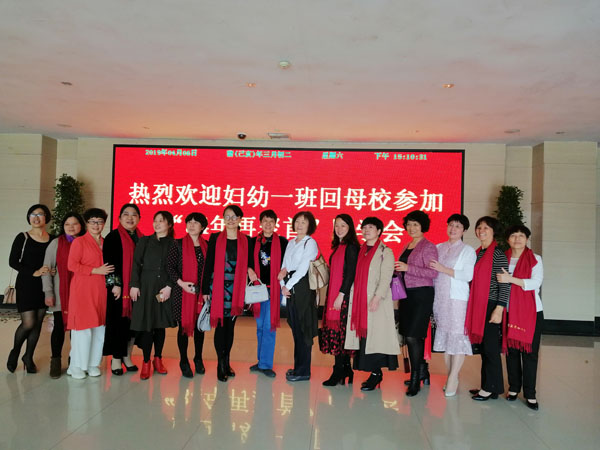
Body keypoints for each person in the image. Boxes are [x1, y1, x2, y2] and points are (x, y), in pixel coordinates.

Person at [345, 216, 400, 391]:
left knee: (376, 339)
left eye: (371, 227)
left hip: (376, 302)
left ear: (379, 231)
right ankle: (373, 373)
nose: (367, 230)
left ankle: (376, 374)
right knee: (365, 339)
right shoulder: (361, 250)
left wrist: (377, 297)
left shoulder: (386, 252)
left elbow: (386, 277)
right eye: (364, 227)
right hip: (360, 302)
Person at [202, 205, 252, 382]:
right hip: (218, 288)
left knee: (230, 327)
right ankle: (220, 364)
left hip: (236, 289)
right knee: (221, 326)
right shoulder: (215, 238)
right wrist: (204, 290)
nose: (230, 220)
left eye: (234, 217)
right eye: (227, 216)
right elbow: (209, 264)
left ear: (240, 219)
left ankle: (227, 361)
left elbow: (250, 263)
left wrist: (251, 270)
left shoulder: (246, 240)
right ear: (223, 219)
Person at [497, 225, 544, 411]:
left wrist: (510, 279)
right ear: (508, 239)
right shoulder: (503, 258)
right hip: (508, 311)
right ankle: (514, 388)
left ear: (527, 239)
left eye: (521, 235)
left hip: (531, 312)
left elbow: (535, 283)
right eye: (513, 235)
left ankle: (530, 394)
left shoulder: (535, 259)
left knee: (530, 354)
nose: (517, 239)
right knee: (512, 352)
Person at [429, 213, 476, 396]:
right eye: (451, 225)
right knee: (446, 337)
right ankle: (451, 376)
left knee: (457, 337)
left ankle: (452, 377)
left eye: (458, 226)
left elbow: (467, 275)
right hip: (440, 298)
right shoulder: (439, 247)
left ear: (464, 230)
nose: (453, 229)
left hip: (457, 299)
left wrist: (443, 269)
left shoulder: (467, 250)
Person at [465, 216, 510, 401]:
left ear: (493, 231)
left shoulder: (497, 254)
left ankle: (491, 387)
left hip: (490, 305)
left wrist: (499, 309)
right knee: (484, 348)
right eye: (479, 227)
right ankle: (489, 385)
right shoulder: (478, 253)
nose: (481, 231)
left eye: (486, 228)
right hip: (478, 304)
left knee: (490, 348)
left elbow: (504, 285)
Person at [395, 210, 438, 397]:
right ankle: (422, 371)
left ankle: (415, 380)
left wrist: (407, 267)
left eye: (416, 224)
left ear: (423, 227)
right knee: (409, 335)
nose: (411, 228)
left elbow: (433, 273)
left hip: (421, 295)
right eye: (409, 224)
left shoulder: (428, 246)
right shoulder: (407, 245)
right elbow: (404, 270)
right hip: (407, 295)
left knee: (414, 336)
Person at [67, 208, 114, 379]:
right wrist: (95, 270)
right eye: (92, 221)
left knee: (99, 328)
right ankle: (77, 366)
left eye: (100, 221)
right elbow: (72, 265)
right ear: (86, 223)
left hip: (101, 291)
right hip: (83, 290)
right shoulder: (79, 242)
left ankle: (93, 363)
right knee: (83, 329)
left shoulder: (106, 243)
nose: (96, 225)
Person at [7, 204, 54, 374]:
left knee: (38, 323)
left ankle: (28, 356)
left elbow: (56, 260)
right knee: (28, 323)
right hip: (26, 284)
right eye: (32, 214)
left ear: (46, 218)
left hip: (44, 285)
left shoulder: (53, 238)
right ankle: (15, 351)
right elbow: (13, 261)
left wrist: (53, 270)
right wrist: (34, 272)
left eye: (40, 214)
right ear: (28, 218)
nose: (36, 217)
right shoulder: (23, 237)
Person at [130, 211, 176, 380]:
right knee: (147, 325)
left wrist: (169, 286)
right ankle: (146, 361)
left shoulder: (174, 244)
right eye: (155, 220)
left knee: (160, 325)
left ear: (169, 224)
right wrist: (134, 284)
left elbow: (177, 268)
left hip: (163, 289)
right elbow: (136, 264)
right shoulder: (145, 241)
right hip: (146, 287)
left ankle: (158, 359)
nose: (157, 224)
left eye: (161, 221)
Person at [42, 212, 86, 378]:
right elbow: (47, 269)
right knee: (59, 327)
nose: (71, 227)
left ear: (81, 225)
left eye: (75, 224)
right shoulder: (56, 243)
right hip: (61, 293)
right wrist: (48, 292)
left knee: (78, 330)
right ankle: (55, 361)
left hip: (82, 294)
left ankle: (74, 360)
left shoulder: (86, 242)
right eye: (67, 224)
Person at [102, 203, 143, 376]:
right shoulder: (112, 237)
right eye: (126, 214)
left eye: (134, 214)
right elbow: (109, 264)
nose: (130, 218)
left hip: (137, 289)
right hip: (118, 290)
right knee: (118, 325)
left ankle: (127, 356)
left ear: (139, 218)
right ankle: (116, 359)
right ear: (119, 218)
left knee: (132, 326)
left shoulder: (142, 238)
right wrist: (115, 284)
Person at [167, 212, 209, 378]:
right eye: (189, 222)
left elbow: (210, 270)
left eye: (195, 222)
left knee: (200, 327)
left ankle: (198, 358)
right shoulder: (177, 244)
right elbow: (170, 267)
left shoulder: (207, 246)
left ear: (202, 227)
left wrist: (206, 291)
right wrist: (182, 283)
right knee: (183, 328)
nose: (191, 225)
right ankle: (183, 360)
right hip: (181, 292)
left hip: (200, 294)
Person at [319, 214, 359, 386]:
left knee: (340, 334)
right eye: (337, 225)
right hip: (335, 294)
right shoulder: (339, 246)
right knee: (340, 334)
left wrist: (341, 295)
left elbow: (350, 274)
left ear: (350, 227)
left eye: (343, 225)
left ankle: (338, 371)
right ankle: (346, 369)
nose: (339, 228)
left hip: (344, 296)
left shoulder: (351, 247)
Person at [279, 211, 319, 382]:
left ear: (310, 225)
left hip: (302, 288)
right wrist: (282, 284)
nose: (300, 225)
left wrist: (286, 286)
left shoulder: (310, 243)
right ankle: (298, 367)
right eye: (297, 221)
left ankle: (303, 371)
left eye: (304, 222)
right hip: (289, 288)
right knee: (296, 329)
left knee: (304, 330)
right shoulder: (291, 242)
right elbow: (284, 267)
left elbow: (302, 269)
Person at [247, 210, 288, 378]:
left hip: (274, 290)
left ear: (276, 223)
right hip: (258, 290)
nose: (268, 224)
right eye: (265, 221)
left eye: (271, 221)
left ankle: (265, 364)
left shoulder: (283, 242)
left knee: (269, 326)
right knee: (259, 327)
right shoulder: (252, 242)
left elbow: (288, 263)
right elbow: (246, 261)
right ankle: (261, 361)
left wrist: (284, 270)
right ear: (260, 223)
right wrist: (249, 269)